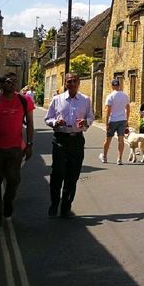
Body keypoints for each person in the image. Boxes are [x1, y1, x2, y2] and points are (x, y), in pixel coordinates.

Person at [44, 72, 94, 218]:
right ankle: (54, 203)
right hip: (60, 139)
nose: (72, 84)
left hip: (77, 140)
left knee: (73, 175)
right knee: (58, 173)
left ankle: (66, 207)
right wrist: (55, 123)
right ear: (65, 83)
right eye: (69, 81)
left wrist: (86, 122)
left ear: (78, 83)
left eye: (74, 81)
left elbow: (91, 116)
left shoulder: (85, 100)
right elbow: (48, 118)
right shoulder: (57, 99)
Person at [0, 76, 35, 229]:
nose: (11, 84)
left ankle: (7, 203)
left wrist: (29, 144)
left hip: (15, 149)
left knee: (14, 180)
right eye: (8, 82)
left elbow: (30, 123)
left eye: (14, 82)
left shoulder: (24, 101)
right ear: (1, 84)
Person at [99, 78, 130, 165]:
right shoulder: (125, 96)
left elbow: (108, 111)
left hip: (113, 120)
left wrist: (106, 123)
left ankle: (104, 157)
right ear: (119, 86)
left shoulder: (110, 96)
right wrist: (127, 120)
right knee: (121, 140)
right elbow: (128, 108)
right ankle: (119, 159)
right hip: (122, 119)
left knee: (108, 139)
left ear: (112, 86)